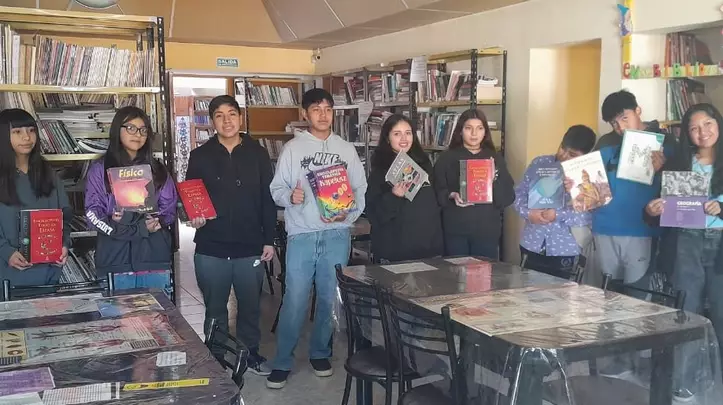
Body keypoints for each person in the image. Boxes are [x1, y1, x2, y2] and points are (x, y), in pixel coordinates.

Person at [267, 88, 367, 389]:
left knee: (328, 297)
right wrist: (290, 196)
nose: (323, 115)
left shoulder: (346, 149)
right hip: (302, 235)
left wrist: (348, 213)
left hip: (337, 234)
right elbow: (276, 189)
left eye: (327, 109)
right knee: (295, 298)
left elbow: (359, 189)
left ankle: (321, 353)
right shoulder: (292, 149)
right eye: (316, 109)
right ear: (305, 113)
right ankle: (282, 360)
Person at [185, 95, 276, 375]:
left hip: (250, 244)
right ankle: (216, 359)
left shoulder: (258, 153)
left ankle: (250, 355)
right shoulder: (200, 156)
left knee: (250, 307)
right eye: (219, 115)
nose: (227, 121)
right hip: (211, 245)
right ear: (212, 121)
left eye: (232, 114)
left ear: (240, 117)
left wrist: (269, 239)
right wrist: (193, 216)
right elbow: (191, 197)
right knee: (215, 308)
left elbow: (267, 199)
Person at [644, 103, 723, 402]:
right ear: (687, 134)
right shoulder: (678, 164)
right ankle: (685, 381)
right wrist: (652, 210)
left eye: (708, 124)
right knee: (687, 313)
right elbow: (661, 210)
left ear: (718, 123)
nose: (702, 132)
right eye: (694, 128)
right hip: (686, 243)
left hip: (720, 244)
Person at [84, 106, 177, 295]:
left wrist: (158, 222)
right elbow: (92, 213)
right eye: (131, 128)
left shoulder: (158, 170)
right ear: (117, 130)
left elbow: (169, 209)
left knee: (158, 313)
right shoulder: (99, 170)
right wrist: (114, 224)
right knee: (116, 313)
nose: (138, 134)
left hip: (153, 258)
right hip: (115, 259)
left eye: (143, 130)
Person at [0, 108, 70, 294]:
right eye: (17, 132)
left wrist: (64, 244)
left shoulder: (49, 174)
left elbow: (65, 216)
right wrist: (6, 252)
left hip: (48, 273)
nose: (27, 137)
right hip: (8, 274)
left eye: (31, 130)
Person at [514, 125, 597, 277]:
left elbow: (588, 216)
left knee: (560, 292)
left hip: (565, 249)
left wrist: (558, 213)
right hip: (532, 243)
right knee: (526, 290)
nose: (564, 156)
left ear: (585, 155)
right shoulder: (540, 163)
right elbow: (519, 194)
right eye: (562, 148)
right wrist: (528, 213)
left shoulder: (590, 175)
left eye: (572, 154)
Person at [432, 108, 515, 259]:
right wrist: (451, 195)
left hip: (487, 231)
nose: (474, 134)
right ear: (460, 131)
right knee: (456, 271)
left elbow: (508, 197)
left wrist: (493, 179)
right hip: (455, 230)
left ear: (485, 132)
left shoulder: (495, 159)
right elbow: (435, 191)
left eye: (479, 128)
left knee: (484, 271)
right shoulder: (446, 158)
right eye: (468, 128)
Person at [365, 114, 443, 262]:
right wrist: (394, 195)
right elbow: (373, 214)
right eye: (397, 134)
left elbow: (435, 202)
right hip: (396, 251)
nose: (404, 139)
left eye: (408, 133)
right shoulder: (379, 171)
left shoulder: (425, 163)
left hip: (429, 248)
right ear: (387, 138)